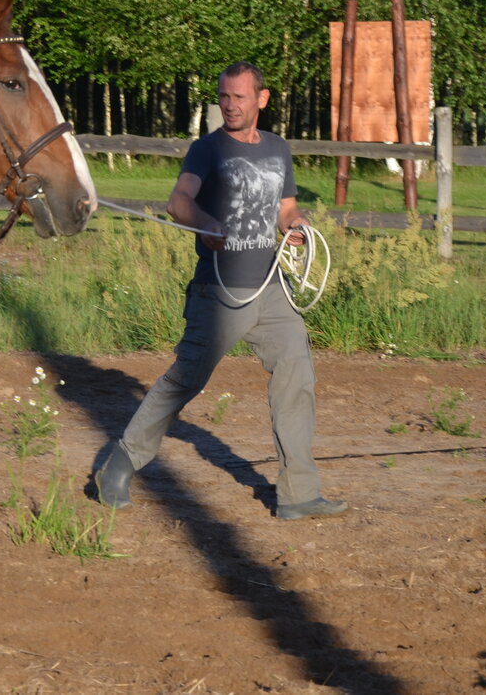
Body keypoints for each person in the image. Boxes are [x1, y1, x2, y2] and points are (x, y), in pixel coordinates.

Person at [94, 62, 348, 521]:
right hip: (220, 292)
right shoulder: (207, 149)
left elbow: (286, 209)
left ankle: (298, 494)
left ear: (261, 99)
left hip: (272, 288)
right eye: (224, 97)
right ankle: (120, 464)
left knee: (297, 377)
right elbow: (178, 201)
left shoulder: (277, 148)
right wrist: (206, 223)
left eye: (239, 97)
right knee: (185, 380)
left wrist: (296, 225)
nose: (229, 105)